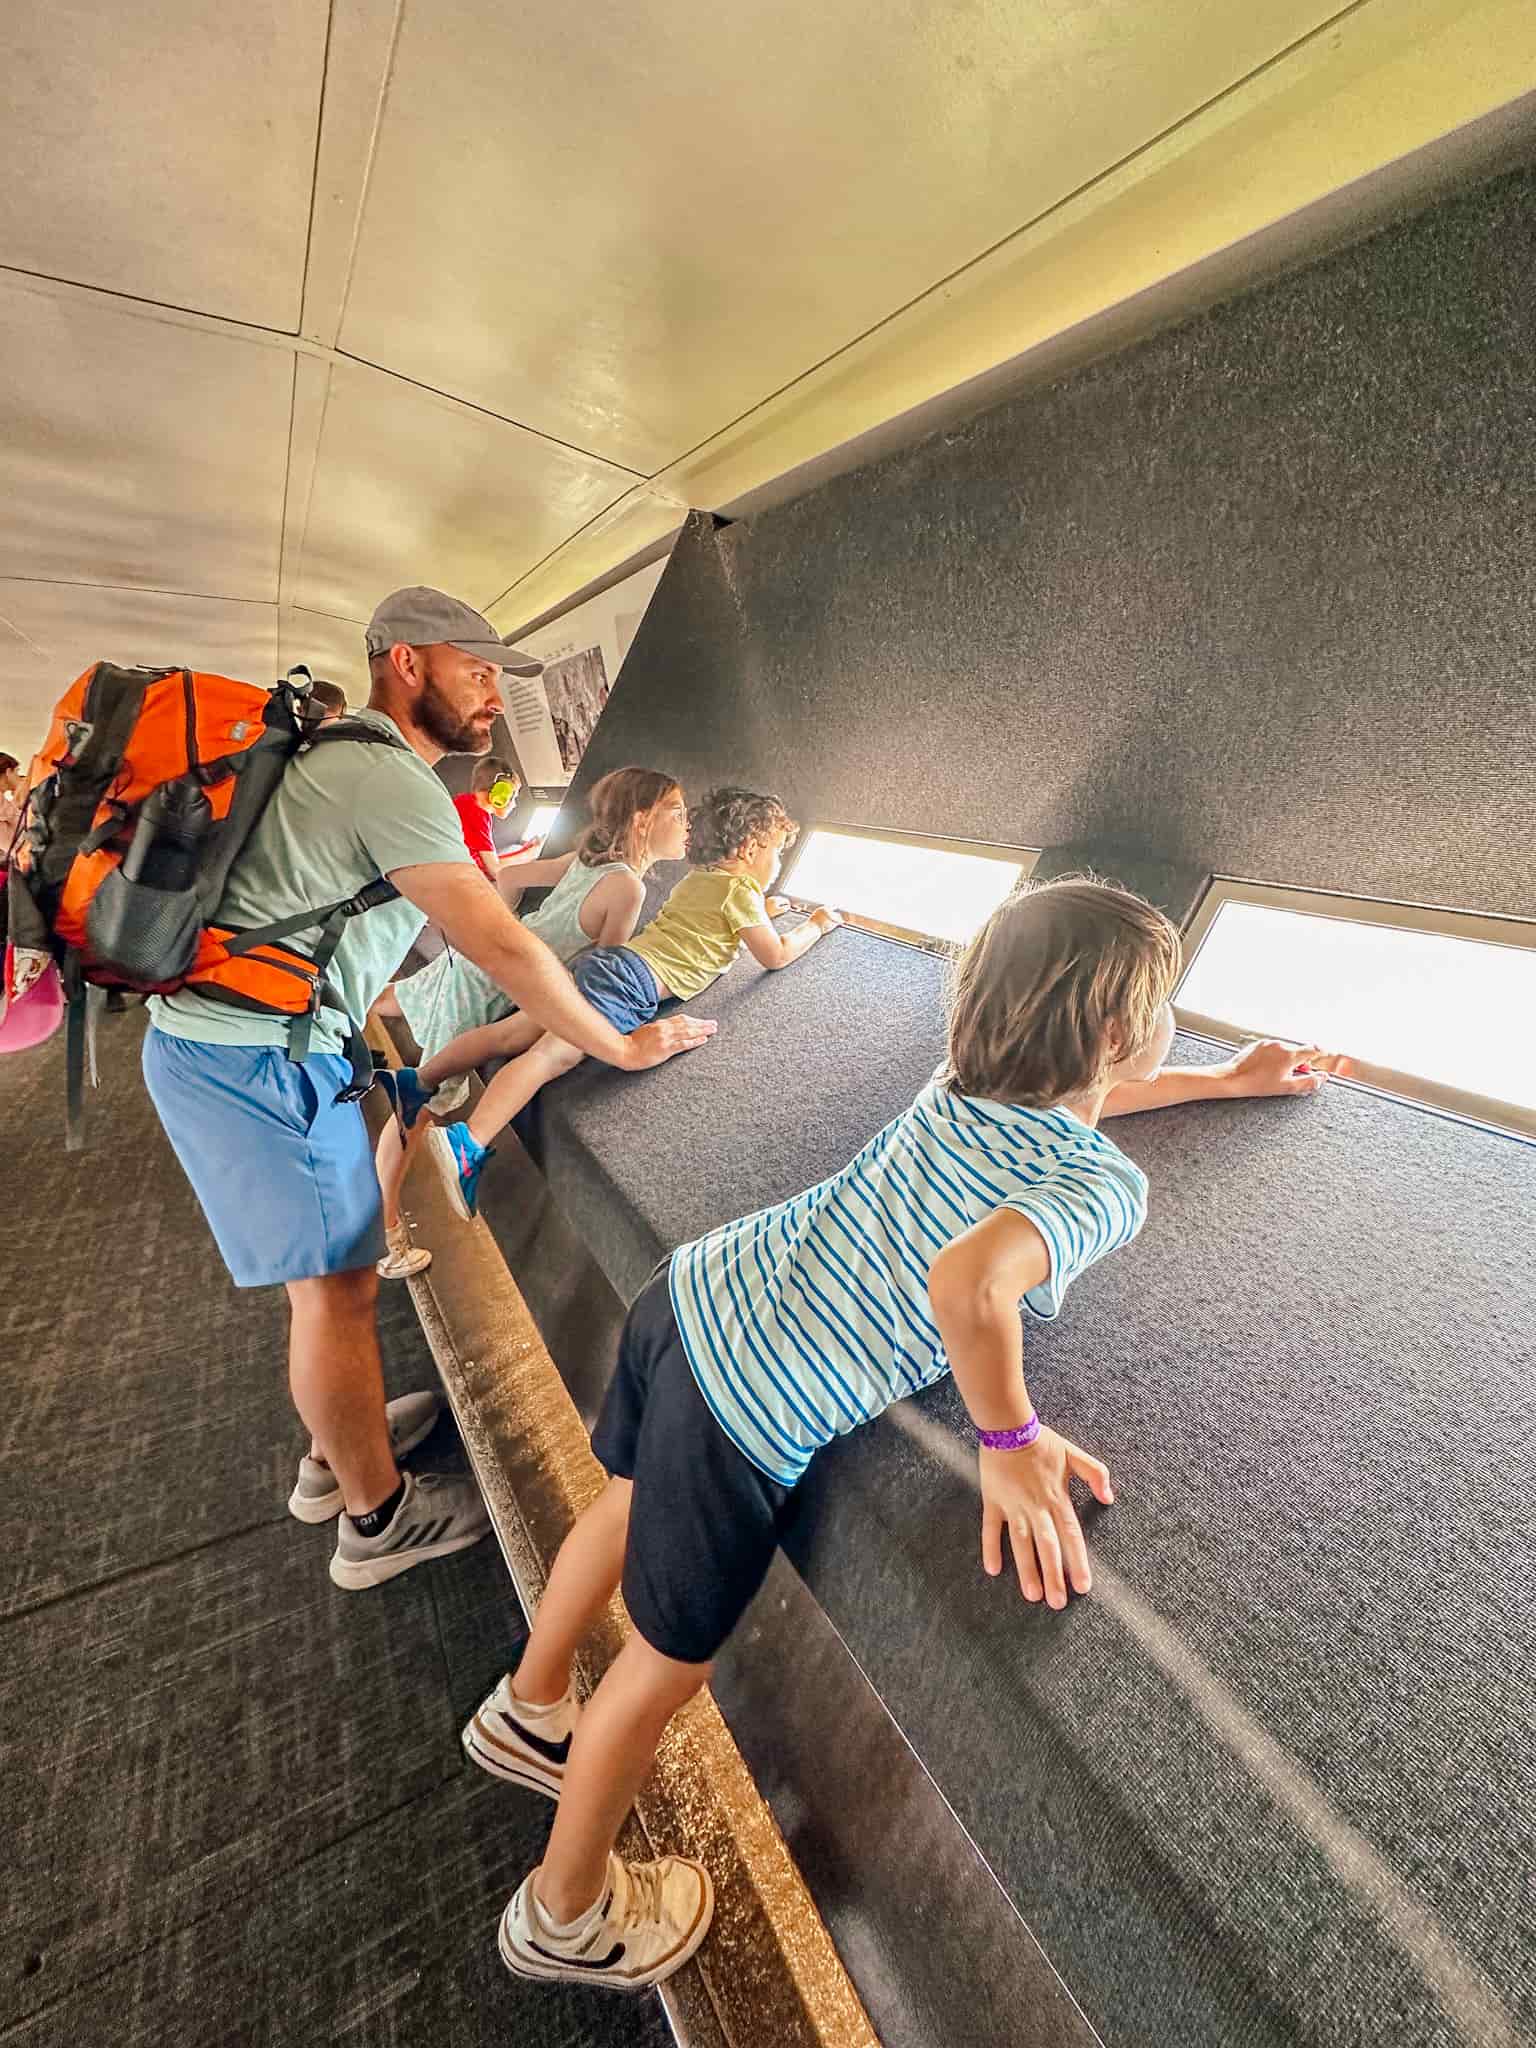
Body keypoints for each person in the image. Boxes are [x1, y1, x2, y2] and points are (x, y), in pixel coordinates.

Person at [457, 877, 1349, 1991]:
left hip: (691, 1294)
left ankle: (532, 1707)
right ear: (1119, 1035)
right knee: (663, 1666)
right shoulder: (1101, 1186)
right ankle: (564, 1912)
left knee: (626, 1502)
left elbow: (1078, 1096)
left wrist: (1224, 1081)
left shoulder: (961, 1082)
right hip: (744, 1404)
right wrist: (1011, 1439)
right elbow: (970, 1282)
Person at [139, 587, 715, 1591]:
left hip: (254, 1050)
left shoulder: (348, 758)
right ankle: (376, 1517)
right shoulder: (386, 775)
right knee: (335, 1290)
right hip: (255, 1062)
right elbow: (505, 944)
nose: (491, 692)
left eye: (498, 675)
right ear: (406, 663)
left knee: (334, 1284)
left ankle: (337, 1448)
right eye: (475, 669)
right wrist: (619, 1048)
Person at [422, 786, 841, 1222]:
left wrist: (763, 911)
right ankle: (469, 1141)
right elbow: (774, 954)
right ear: (751, 848)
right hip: (631, 986)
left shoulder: (702, 880)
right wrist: (815, 926)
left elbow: (711, 925)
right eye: (776, 851)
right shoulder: (741, 894)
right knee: (551, 1056)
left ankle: (422, 1079)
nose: (777, 864)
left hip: (612, 965)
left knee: (512, 1033)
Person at [373, 767, 685, 1277]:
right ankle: (389, 1238)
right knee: (416, 1106)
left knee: (395, 1000)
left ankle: (321, 1011)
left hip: (481, 961)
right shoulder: (627, 888)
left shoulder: (588, 858)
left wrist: (504, 933)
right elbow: (599, 972)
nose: (685, 823)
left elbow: (512, 878)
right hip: (488, 989)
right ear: (642, 819)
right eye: (677, 811)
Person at [453, 756, 530, 881]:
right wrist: (529, 855)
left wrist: (522, 852)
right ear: (501, 794)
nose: (514, 804)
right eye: (513, 797)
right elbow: (495, 870)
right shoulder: (479, 815)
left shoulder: (464, 801)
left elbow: (486, 861)